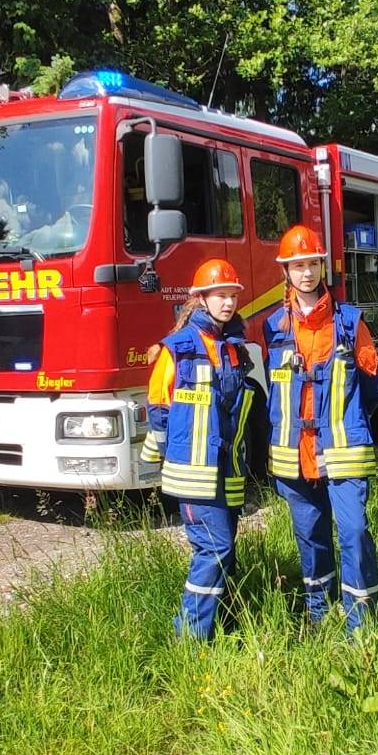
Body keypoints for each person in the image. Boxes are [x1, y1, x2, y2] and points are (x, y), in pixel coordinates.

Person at [259, 225, 378, 634]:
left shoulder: (349, 323)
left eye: (312, 263)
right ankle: (319, 613)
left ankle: (359, 625)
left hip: (343, 450)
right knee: (310, 538)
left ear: (322, 267)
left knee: (353, 530)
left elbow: (370, 390)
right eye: (298, 265)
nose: (306, 273)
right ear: (287, 272)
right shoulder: (274, 327)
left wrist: (343, 425)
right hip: (294, 456)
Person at [142, 258, 257, 640]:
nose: (228, 302)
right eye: (220, 295)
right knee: (214, 550)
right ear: (200, 299)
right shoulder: (176, 350)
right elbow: (159, 411)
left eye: (232, 295)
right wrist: (159, 460)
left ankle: (223, 625)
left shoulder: (235, 348)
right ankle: (189, 639)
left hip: (228, 469)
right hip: (194, 473)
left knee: (226, 552)